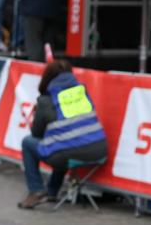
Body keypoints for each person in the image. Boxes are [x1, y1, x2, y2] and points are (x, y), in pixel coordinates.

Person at [18, 60, 108, 209]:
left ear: (47, 78)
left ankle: (36, 190)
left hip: (70, 152)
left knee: (29, 143)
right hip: (99, 150)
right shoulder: (82, 92)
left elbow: (37, 133)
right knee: (61, 143)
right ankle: (52, 191)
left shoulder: (47, 100)